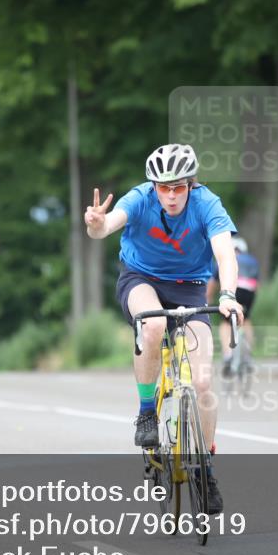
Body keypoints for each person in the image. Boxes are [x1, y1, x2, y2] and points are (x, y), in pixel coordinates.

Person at [83, 144, 244, 514]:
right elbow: (108, 224)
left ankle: (205, 469)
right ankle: (145, 412)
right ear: (154, 186)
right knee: (153, 323)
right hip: (141, 279)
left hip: (189, 286)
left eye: (179, 187)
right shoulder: (140, 198)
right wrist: (97, 225)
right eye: (163, 187)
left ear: (191, 184)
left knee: (203, 383)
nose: (171, 195)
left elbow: (224, 253)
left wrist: (230, 294)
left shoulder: (208, 204)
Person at [207, 235, 259, 376]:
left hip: (235, 289)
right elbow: (257, 284)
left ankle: (228, 355)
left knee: (226, 323)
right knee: (246, 319)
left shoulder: (226, 260)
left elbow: (213, 282)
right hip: (250, 291)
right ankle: (247, 356)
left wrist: (209, 298)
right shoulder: (252, 260)